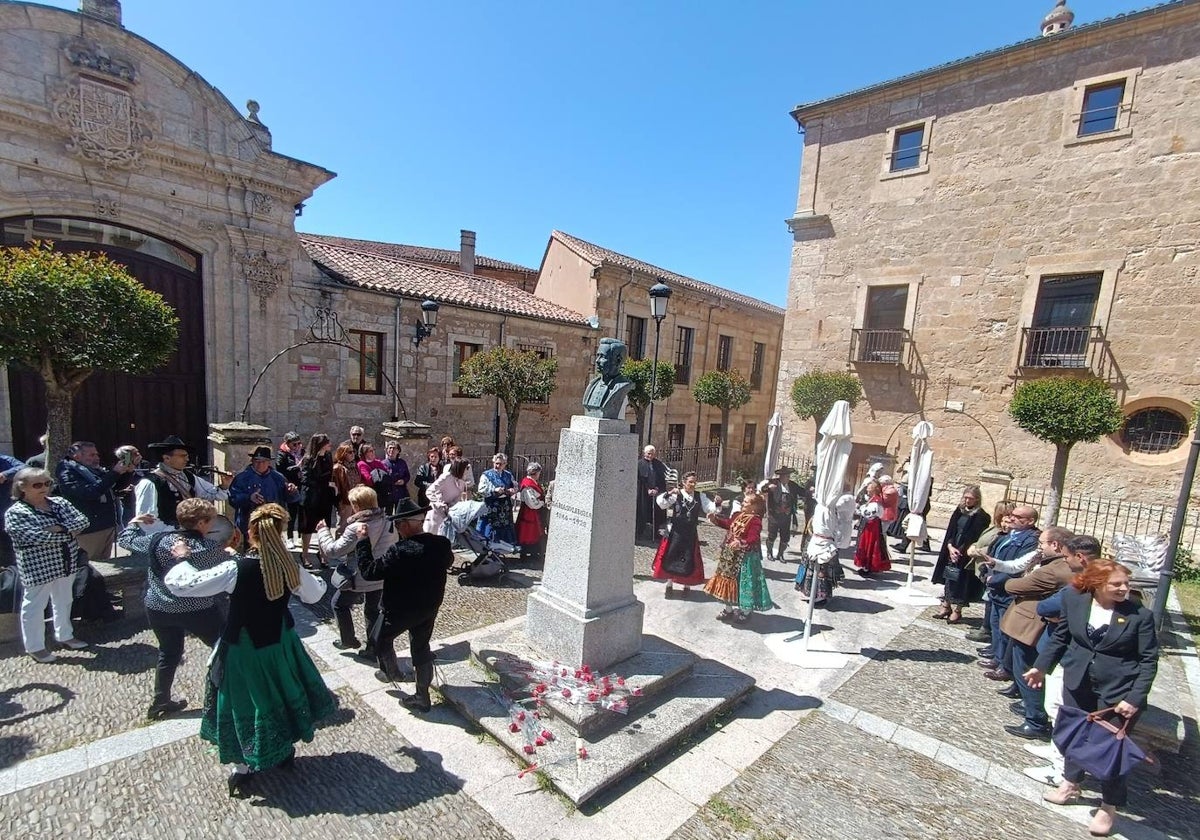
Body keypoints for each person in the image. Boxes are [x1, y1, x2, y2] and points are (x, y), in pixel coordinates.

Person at [163, 503, 334, 797]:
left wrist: (182, 559)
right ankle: (283, 750)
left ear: (251, 533)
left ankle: (242, 769)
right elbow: (316, 592)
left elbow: (182, 585)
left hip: (246, 648)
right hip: (280, 641)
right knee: (280, 692)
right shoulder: (288, 567)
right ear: (281, 532)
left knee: (246, 702)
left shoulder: (236, 569)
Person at [1022, 559, 1159, 838]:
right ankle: (1071, 783)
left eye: (1126, 584)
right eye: (1117, 584)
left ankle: (1109, 806)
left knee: (1110, 750)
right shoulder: (1075, 600)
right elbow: (1061, 637)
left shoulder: (1138, 615)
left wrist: (1134, 697)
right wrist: (1041, 666)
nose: (1124, 589)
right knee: (1075, 735)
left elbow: (1148, 661)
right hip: (1078, 681)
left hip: (1118, 693)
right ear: (1096, 584)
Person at [117, 499, 232, 719]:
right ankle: (227, 695)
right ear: (201, 523)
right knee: (224, 648)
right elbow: (228, 562)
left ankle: (160, 700)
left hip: (159, 607)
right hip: (197, 609)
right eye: (211, 520)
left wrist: (134, 522)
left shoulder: (157, 539)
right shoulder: (206, 548)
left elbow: (126, 539)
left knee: (168, 653)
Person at [355, 498, 455, 711]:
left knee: (379, 639)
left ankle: (392, 673)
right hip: (429, 606)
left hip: (400, 610)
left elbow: (369, 571)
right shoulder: (441, 544)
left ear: (407, 524)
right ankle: (422, 696)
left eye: (399, 525)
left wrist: (363, 542)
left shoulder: (399, 551)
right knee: (420, 647)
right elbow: (448, 562)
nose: (398, 529)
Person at [5, 467, 91, 662]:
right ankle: (35, 646)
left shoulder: (59, 502)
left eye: (47, 483)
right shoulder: (16, 512)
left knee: (64, 600)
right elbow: (32, 536)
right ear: (22, 487)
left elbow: (83, 521)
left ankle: (65, 635)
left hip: (66, 560)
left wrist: (59, 529)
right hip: (37, 566)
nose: (44, 488)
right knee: (35, 606)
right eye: (37, 485)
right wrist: (68, 532)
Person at [1000, 525, 1076, 740]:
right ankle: (1031, 708)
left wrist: (1009, 581)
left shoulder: (1056, 570)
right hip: (1034, 624)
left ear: (1056, 545)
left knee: (1027, 670)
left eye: (1043, 543)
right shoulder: (1057, 565)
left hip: (1031, 626)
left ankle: (1035, 720)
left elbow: (1015, 586)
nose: (1039, 546)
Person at [315, 485, 394, 659]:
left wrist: (322, 532)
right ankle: (373, 650)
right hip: (380, 573)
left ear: (357, 506)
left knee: (339, 604)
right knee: (373, 610)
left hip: (359, 575)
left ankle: (348, 639)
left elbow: (333, 551)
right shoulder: (388, 520)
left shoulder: (357, 527)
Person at [977, 505, 1040, 683]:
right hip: (995, 587)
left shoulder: (1031, 540)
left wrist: (994, 580)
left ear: (1030, 521)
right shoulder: (1007, 535)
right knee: (996, 625)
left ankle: (1005, 666)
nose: (1011, 518)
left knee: (1006, 629)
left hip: (1007, 589)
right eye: (1011, 515)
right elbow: (994, 556)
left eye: (1017, 517)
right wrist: (985, 571)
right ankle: (997, 657)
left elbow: (1017, 567)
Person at [54, 440, 136, 561]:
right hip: (88, 530)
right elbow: (89, 493)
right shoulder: (67, 471)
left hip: (106, 525)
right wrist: (115, 472)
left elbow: (115, 487)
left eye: (97, 454)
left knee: (104, 566)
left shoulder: (94, 470)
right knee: (89, 567)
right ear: (76, 456)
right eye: (92, 455)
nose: (96, 458)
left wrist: (127, 471)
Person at [136, 435, 230, 533]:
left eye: (187, 456)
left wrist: (224, 486)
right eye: (182, 456)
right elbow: (146, 520)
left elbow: (214, 494)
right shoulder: (149, 483)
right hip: (164, 537)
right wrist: (174, 533)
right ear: (167, 458)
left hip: (187, 535)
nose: (187, 459)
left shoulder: (188, 476)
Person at [704, 493, 771, 621]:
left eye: (746, 502)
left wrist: (741, 542)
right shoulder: (737, 515)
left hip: (745, 557)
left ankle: (745, 612)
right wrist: (715, 520)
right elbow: (728, 524)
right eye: (743, 501)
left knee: (743, 583)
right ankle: (728, 610)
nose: (743, 503)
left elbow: (754, 537)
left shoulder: (755, 521)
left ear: (754, 507)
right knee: (727, 580)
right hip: (730, 555)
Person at [651, 471, 719, 597]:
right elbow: (661, 503)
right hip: (675, 531)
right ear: (683, 482)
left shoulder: (699, 496)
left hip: (690, 532)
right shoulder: (676, 495)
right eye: (690, 482)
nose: (693, 484)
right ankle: (669, 585)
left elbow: (710, 508)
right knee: (671, 557)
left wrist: (717, 503)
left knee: (688, 558)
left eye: (694, 482)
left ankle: (686, 586)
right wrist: (669, 492)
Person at [930, 486, 991, 623]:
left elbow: (975, 537)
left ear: (977, 499)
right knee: (949, 577)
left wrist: (961, 551)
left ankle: (958, 610)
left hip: (965, 554)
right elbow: (952, 530)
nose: (967, 500)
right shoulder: (959, 511)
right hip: (952, 548)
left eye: (971, 498)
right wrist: (951, 547)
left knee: (962, 581)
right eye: (966, 497)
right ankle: (946, 605)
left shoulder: (982, 516)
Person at [965, 501, 1017, 648]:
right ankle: (986, 628)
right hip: (986, 569)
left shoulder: (1007, 534)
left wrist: (976, 551)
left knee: (991, 601)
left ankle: (987, 631)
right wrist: (974, 546)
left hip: (996, 571)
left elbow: (994, 548)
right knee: (988, 600)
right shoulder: (994, 528)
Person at [228, 446, 296, 538]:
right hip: (249, 526)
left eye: (263, 461)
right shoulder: (242, 478)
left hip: (273, 525)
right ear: (252, 461)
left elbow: (290, 499)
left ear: (269, 462)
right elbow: (233, 499)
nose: (260, 464)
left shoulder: (278, 478)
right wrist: (249, 498)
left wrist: (292, 491)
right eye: (257, 461)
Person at [297, 434, 335, 569]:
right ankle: (305, 555)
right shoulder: (308, 459)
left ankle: (322, 554)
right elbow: (306, 480)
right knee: (308, 527)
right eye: (326, 442)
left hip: (324, 496)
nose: (329, 444)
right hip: (311, 497)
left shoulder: (328, 457)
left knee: (324, 526)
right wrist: (324, 482)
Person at [581, 337, 634, 419]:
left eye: (602, 357)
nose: (597, 361)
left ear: (618, 360)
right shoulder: (592, 385)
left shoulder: (622, 386)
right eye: (597, 356)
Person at [424, 459, 470, 540]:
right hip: (436, 512)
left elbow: (458, 497)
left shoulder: (462, 482)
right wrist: (439, 503)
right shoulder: (446, 477)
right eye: (466, 468)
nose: (467, 471)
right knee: (431, 537)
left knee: (444, 540)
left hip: (448, 514)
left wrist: (454, 506)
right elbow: (430, 491)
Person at [477, 453, 517, 545]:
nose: (498, 466)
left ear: (505, 464)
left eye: (500, 464)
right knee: (490, 527)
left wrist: (512, 490)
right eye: (496, 463)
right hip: (491, 505)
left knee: (504, 527)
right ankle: (488, 547)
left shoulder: (508, 475)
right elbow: (481, 490)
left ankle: (502, 548)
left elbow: (515, 486)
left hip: (504, 506)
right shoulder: (486, 475)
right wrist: (494, 490)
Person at [762, 466, 801, 562]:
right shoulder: (773, 483)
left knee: (785, 537)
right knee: (772, 535)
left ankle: (780, 555)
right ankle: (769, 552)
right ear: (781, 476)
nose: (788, 478)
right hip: (774, 515)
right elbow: (763, 489)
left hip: (786, 516)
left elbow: (803, 491)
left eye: (789, 476)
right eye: (786, 476)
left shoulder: (792, 485)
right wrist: (768, 488)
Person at [853, 480, 891, 576]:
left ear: (874, 490)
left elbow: (869, 513)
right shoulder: (872, 499)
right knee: (865, 544)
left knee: (869, 544)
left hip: (871, 526)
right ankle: (865, 565)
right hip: (868, 525)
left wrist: (859, 509)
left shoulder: (876, 501)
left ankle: (868, 566)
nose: (867, 490)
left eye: (869, 488)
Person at [275, 433, 304, 549]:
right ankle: (290, 537)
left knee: (303, 512)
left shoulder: (302, 452)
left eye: (299, 443)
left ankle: (301, 536)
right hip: (290, 486)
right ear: (287, 444)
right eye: (294, 444)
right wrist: (296, 467)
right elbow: (280, 470)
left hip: (302, 485)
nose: (297, 446)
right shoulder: (282, 454)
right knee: (292, 513)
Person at [514, 462, 548, 564]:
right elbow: (532, 502)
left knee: (534, 532)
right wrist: (542, 503)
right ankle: (526, 552)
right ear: (536, 473)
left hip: (532, 512)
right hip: (529, 513)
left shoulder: (531, 482)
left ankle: (533, 552)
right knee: (528, 533)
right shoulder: (528, 485)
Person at [636, 445, 669, 542]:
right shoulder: (639, 464)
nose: (650, 456)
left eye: (652, 454)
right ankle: (640, 532)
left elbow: (661, 479)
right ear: (644, 453)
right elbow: (639, 479)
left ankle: (656, 532)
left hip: (656, 492)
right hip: (643, 492)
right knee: (642, 511)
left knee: (657, 512)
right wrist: (648, 489)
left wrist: (657, 489)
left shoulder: (658, 464)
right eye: (648, 453)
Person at [0, 452, 27, 566]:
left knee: (9, 550)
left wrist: (5, 474)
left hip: (3, 512)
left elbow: (25, 468)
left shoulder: (4, 460)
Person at [331, 443, 361, 529]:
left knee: (354, 525)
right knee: (343, 525)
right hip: (345, 501)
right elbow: (336, 487)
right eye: (350, 452)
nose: (352, 454)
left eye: (353, 452)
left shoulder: (354, 466)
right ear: (343, 453)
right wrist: (340, 502)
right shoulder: (337, 468)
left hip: (356, 499)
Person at [381, 441, 411, 512]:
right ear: (386, 450)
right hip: (388, 493)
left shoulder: (402, 463)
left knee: (400, 515)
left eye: (394, 448)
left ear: (398, 451)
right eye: (390, 448)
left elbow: (407, 475)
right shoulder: (383, 464)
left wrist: (403, 481)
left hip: (401, 493)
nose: (392, 450)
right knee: (388, 515)